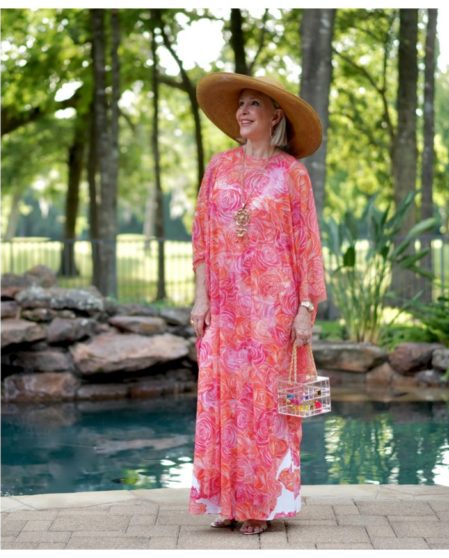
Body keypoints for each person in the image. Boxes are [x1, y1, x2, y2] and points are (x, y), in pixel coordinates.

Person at [187, 73, 327, 536]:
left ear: (275, 116)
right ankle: (226, 501)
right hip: (226, 309)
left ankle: (260, 504)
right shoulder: (219, 168)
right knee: (224, 402)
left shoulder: (292, 174)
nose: (243, 111)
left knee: (265, 405)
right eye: (240, 105)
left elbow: (307, 244)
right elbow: (202, 238)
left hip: (273, 308)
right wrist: (200, 298)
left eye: (253, 104)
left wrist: (307, 308)